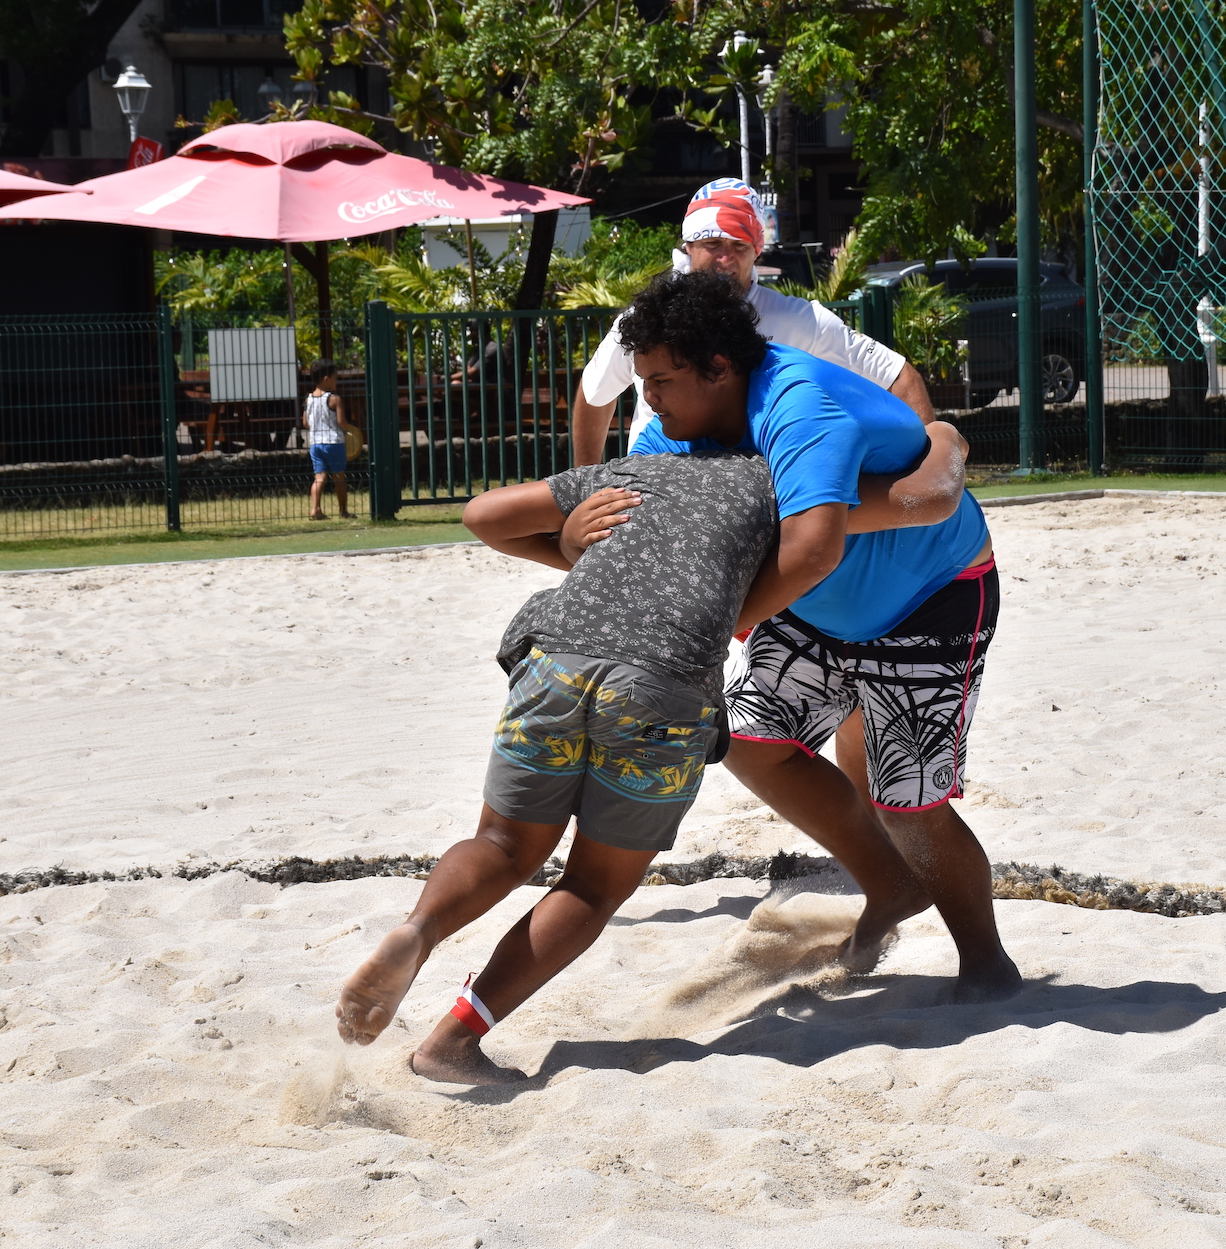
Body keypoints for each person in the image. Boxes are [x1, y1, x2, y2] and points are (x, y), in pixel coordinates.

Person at [334, 370, 970, 1082]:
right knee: (592, 887)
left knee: (501, 845)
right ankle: (452, 1039)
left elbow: (484, 515)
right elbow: (907, 508)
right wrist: (945, 438)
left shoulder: (637, 469)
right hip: (659, 685)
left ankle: (418, 931)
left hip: (555, 661)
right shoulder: (782, 482)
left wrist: (575, 547)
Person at [567, 270, 1022, 1003]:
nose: (645, 399)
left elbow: (813, 549)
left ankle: (987, 964)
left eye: (659, 381)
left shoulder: (798, 403)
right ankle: (889, 882)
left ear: (719, 369)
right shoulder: (672, 429)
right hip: (816, 605)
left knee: (905, 799)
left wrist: (722, 619)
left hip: (928, 596)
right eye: (641, 381)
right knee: (746, 737)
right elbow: (660, 532)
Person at [570, 178, 935, 469]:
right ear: (687, 246)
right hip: (656, 482)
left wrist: (933, 470)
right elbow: (594, 392)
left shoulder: (799, 319)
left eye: (740, 245)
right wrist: (586, 483)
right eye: (712, 243)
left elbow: (899, 376)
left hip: (754, 504)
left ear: (757, 251)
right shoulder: (646, 320)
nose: (726, 257)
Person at [305, 356, 352, 519]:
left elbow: (306, 423)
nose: (336, 381)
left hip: (315, 443)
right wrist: (352, 430)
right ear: (326, 379)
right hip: (334, 443)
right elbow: (341, 422)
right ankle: (343, 511)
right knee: (338, 476)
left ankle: (315, 509)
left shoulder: (309, 399)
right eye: (335, 377)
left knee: (319, 477)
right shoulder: (334, 399)